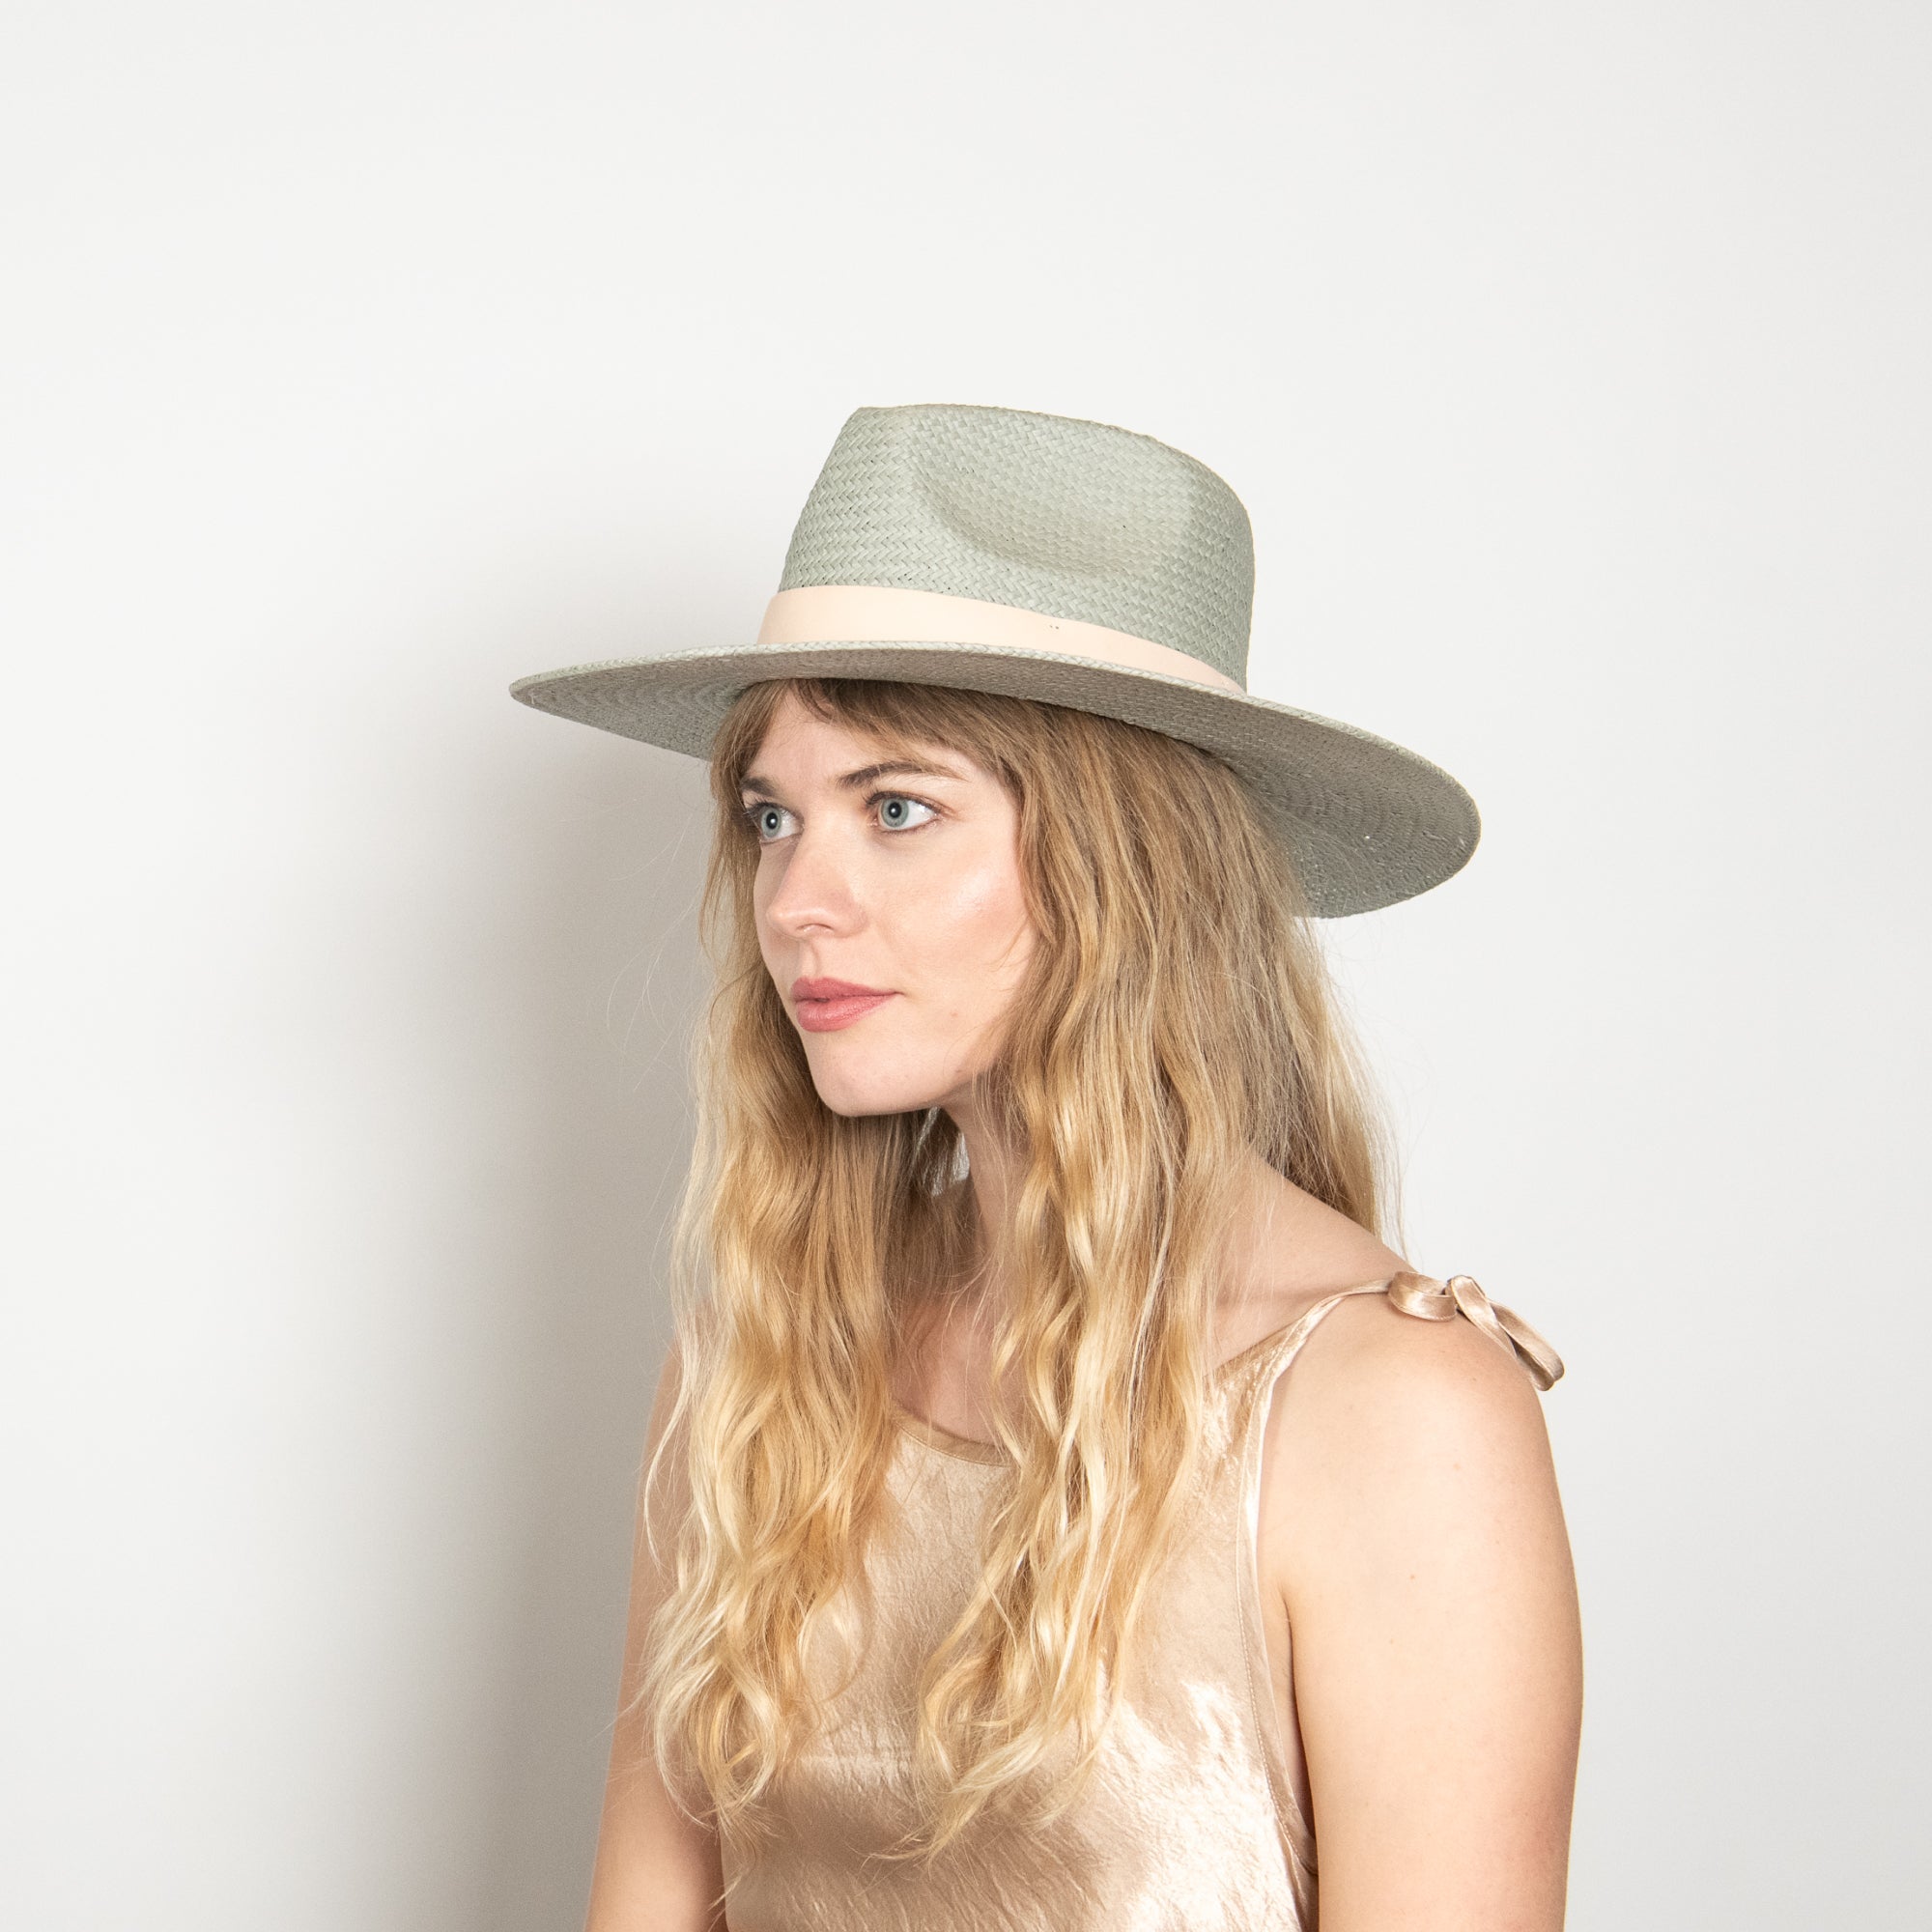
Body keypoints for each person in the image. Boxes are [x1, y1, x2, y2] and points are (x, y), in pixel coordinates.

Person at [510, 404, 1583, 1931]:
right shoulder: (763, 1366)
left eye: (897, 808)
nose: (797, 899)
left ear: (1123, 865)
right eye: (772, 818)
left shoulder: (1395, 1412)